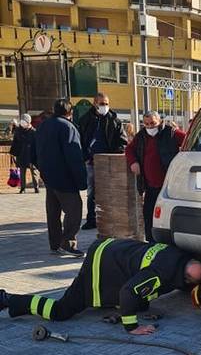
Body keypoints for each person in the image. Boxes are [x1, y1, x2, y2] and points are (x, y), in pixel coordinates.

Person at [0, 238, 201, 335]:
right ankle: (9, 300)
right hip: (99, 265)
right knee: (60, 311)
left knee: (139, 301)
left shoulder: (177, 253)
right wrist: (133, 327)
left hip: (111, 249)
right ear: (186, 279)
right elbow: (128, 291)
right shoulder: (161, 274)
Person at [35, 99, 87, 257]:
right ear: (70, 113)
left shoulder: (43, 125)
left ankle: (55, 244)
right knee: (74, 210)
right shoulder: (67, 127)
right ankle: (68, 242)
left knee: (53, 212)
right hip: (65, 178)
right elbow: (74, 156)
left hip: (48, 177)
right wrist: (81, 180)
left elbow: (34, 149)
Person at [125, 111, 186, 242]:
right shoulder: (141, 136)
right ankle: (151, 242)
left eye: (153, 123)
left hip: (167, 185)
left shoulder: (170, 133)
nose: (150, 127)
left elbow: (188, 140)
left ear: (159, 122)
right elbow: (129, 149)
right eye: (146, 124)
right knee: (148, 215)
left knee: (166, 216)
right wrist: (133, 162)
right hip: (150, 186)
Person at [79, 93, 128, 230]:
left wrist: (115, 155)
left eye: (106, 103)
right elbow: (81, 141)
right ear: (95, 103)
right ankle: (91, 219)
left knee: (111, 191)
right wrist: (86, 157)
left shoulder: (115, 120)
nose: (104, 106)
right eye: (101, 104)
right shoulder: (86, 120)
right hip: (92, 162)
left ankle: (111, 218)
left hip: (109, 162)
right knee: (92, 192)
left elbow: (122, 141)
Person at [9, 114, 39, 194]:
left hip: (31, 154)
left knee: (34, 171)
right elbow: (15, 142)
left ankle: (36, 187)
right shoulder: (18, 131)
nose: (22, 123)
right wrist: (13, 153)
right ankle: (22, 188)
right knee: (22, 171)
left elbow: (37, 144)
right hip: (21, 153)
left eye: (24, 122)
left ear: (29, 122)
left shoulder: (34, 132)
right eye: (21, 121)